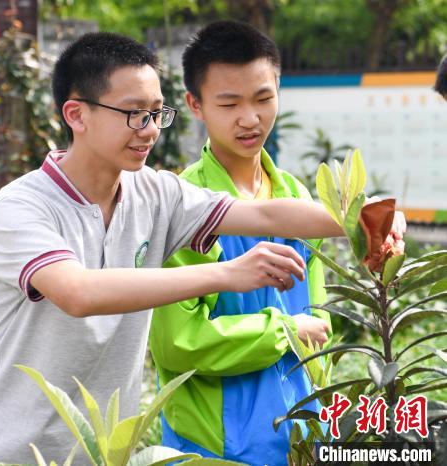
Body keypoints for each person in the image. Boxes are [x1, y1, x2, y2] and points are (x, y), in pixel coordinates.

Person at [0, 32, 394, 464]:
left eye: (156, 113)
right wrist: (227, 273)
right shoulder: (22, 205)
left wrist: (371, 216)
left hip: (102, 453)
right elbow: (78, 293)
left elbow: (266, 215)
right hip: (7, 452)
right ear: (76, 114)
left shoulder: (156, 194)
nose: (148, 130)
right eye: (132, 113)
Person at [149, 21, 337, 465]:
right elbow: (177, 343)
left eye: (263, 99)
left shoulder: (296, 195)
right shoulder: (183, 205)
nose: (250, 119)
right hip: (214, 449)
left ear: (279, 89)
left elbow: (320, 319)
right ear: (195, 104)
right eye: (229, 103)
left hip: (303, 439)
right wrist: (284, 332)